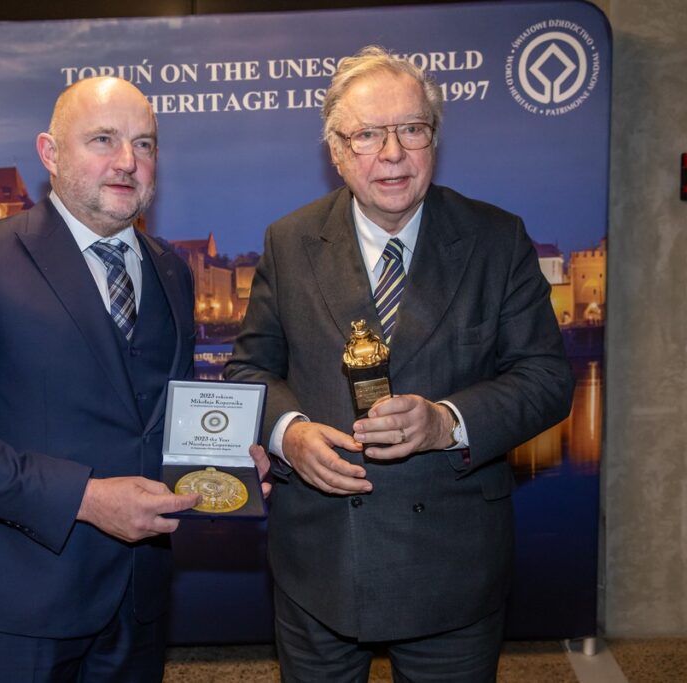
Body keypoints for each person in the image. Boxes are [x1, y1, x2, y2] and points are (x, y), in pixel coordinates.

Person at [225, 46, 574, 682]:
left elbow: (547, 380)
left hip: (453, 563)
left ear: (433, 139)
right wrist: (290, 434)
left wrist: (447, 422)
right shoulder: (289, 241)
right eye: (367, 135)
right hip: (319, 558)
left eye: (411, 129)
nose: (391, 153)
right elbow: (248, 371)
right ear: (335, 151)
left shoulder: (497, 239)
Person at [0, 77, 204, 682]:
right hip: (24, 601)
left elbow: (167, 413)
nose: (127, 162)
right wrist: (86, 499)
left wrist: (223, 466)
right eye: (102, 140)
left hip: (140, 597)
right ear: (49, 153)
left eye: (144, 145)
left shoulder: (170, 268)